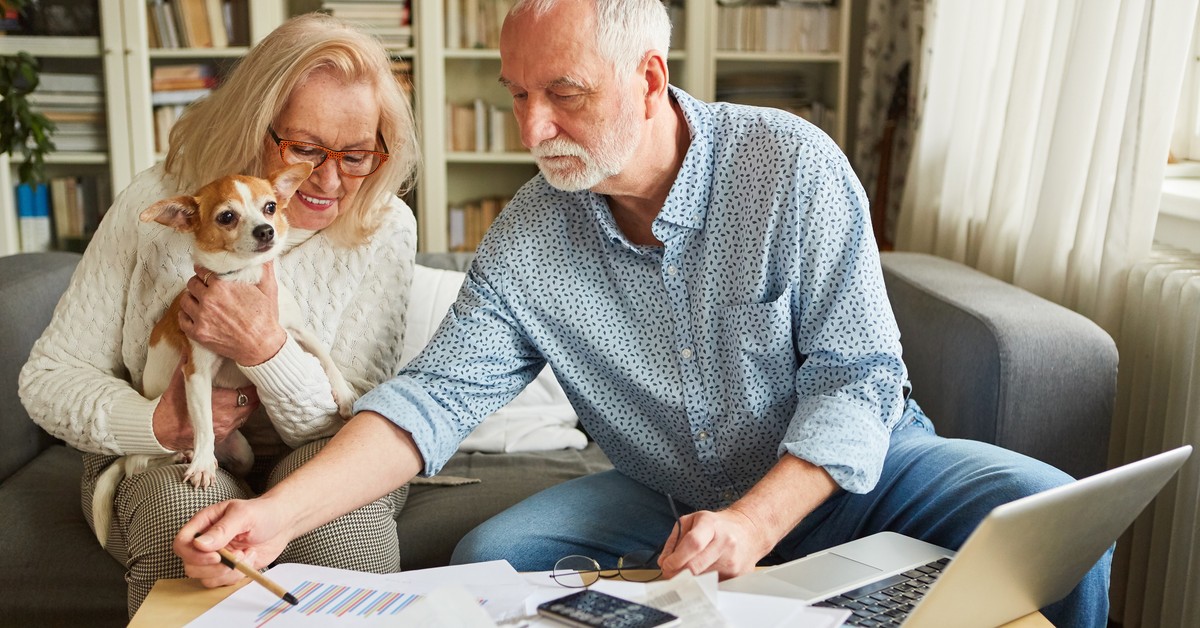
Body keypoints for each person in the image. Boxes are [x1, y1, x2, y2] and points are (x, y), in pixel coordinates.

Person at [174, 1, 1111, 625]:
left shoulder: (793, 166)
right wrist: (275, 516)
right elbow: (433, 400)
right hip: (671, 491)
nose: (532, 130)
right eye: (518, 96)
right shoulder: (532, 233)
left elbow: (859, 382)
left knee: (1052, 515)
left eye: (564, 96)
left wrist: (752, 523)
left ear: (650, 79)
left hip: (863, 473)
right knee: (494, 552)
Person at [18, 13, 419, 616]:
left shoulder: (385, 229)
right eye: (305, 149)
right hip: (170, 453)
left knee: (346, 520)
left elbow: (360, 427)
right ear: (253, 124)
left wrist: (268, 351)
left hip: (316, 453)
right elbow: (48, 379)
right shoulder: (157, 204)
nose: (328, 179)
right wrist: (157, 425)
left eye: (358, 154)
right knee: (180, 516)